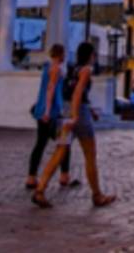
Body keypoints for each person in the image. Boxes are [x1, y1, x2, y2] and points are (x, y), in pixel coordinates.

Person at [31, 42, 116, 209]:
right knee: (90, 155)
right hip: (78, 115)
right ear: (90, 55)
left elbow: (70, 91)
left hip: (65, 111)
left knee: (60, 150)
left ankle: (40, 189)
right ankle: (97, 195)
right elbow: (78, 92)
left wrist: (78, 111)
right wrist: (77, 115)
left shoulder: (71, 69)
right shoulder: (86, 70)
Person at [25, 44, 77, 190]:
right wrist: (48, 111)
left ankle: (31, 177)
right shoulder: (56, 69)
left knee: (40, 144)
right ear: (60, 54)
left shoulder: (47, 67)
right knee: (64, 142)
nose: (65, 56)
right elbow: (50, 90)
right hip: (51, 112)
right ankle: (64, 175)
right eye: (64, 53)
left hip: (42, 109)